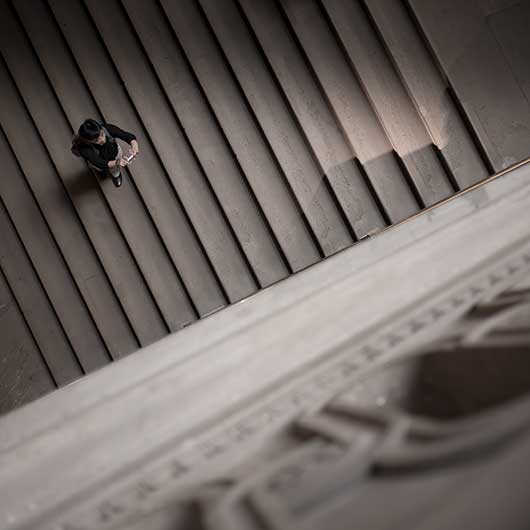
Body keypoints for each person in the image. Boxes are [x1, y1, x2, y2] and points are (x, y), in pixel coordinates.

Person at [72, 119, 139, 188]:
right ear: (88, 141)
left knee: (115, 169)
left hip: (115, 153)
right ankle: (102, 171)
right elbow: (99, 162)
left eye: (102, 134)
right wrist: (117, 162)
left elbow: (125, 135)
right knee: (99, 167)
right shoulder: (84, 148)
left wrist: (134, 146)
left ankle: (115, 174)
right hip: (99, 159)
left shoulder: (107, 128)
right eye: (96, 140)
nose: (103, 140)